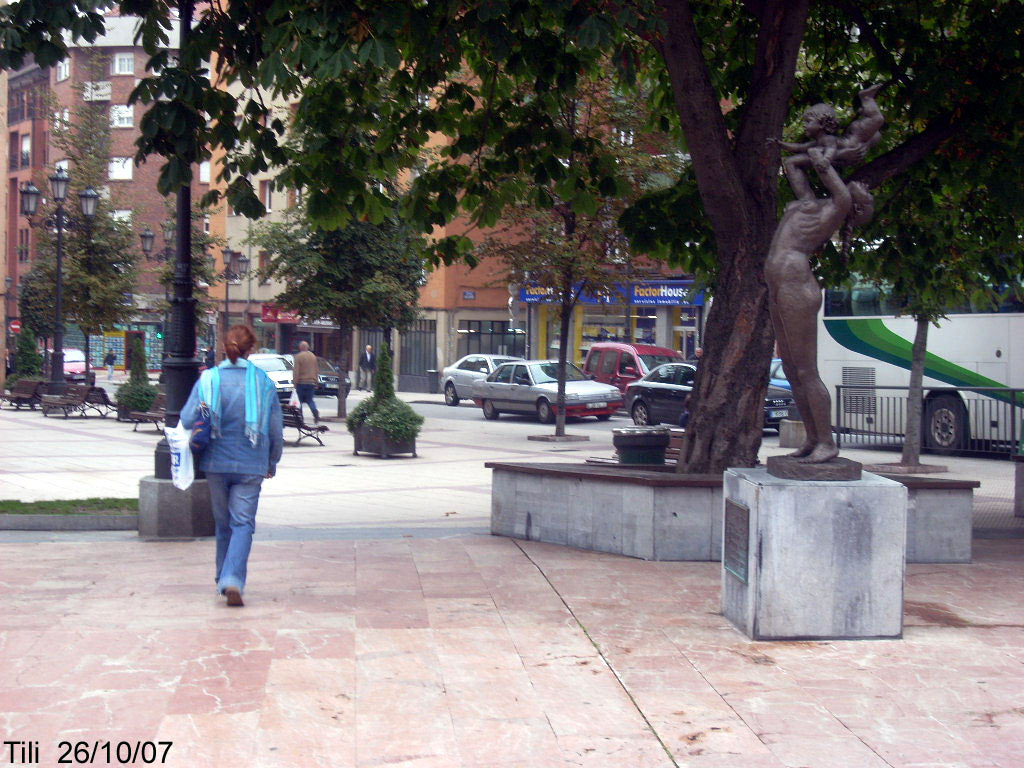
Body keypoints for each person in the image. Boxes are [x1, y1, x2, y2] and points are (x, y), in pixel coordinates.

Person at [765, 147, 874, 464]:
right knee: (790, 370)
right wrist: (822, 149)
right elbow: (791, 164)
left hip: (796, 285)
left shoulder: (835, 209)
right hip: (779, 285)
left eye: (862, 192)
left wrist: (825, 162)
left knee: (805, 370)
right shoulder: (810, 203)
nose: (859, 185)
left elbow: (836, 185)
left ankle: (827, 442)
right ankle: (813, 439)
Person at [180, 325, 284, 607]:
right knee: (243, 524)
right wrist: (272, 460)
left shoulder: (209, 380)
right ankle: (232, 579)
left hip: (216, 462)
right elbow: (275, 428)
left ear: (224, 347)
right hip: (251, 463)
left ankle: (223, 579)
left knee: (224, 523)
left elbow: (188, 419)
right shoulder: (263, 382)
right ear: (252, 349)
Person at [291, 340, 320, 423]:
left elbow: (296, 371)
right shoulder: (313, 356)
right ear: (307, 347)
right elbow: (316, 370)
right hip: (311, 382)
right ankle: (315, 413)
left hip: (301, 382)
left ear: (300, 348)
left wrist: (294, 383)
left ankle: (300, 418)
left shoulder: (298, 356)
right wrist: (316, 382)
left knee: (299, 401)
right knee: (310, 400)